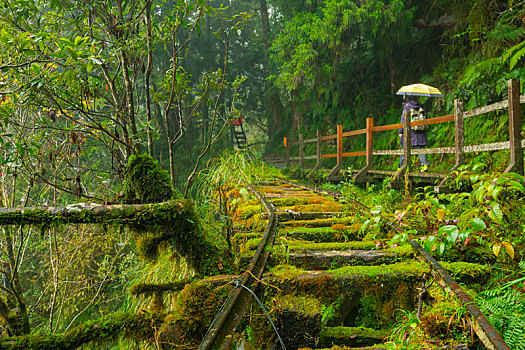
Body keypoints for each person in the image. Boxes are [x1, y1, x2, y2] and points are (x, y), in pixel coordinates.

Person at [398, 96, 430, 172]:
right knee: (420, 147)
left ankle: (401, 167)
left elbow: (403, 120)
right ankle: (424, 164)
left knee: (404, 147)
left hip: (409, 131)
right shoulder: (421, 106)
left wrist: (400, 131)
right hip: (420, 130)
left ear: (407, 98)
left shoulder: (407, 107)